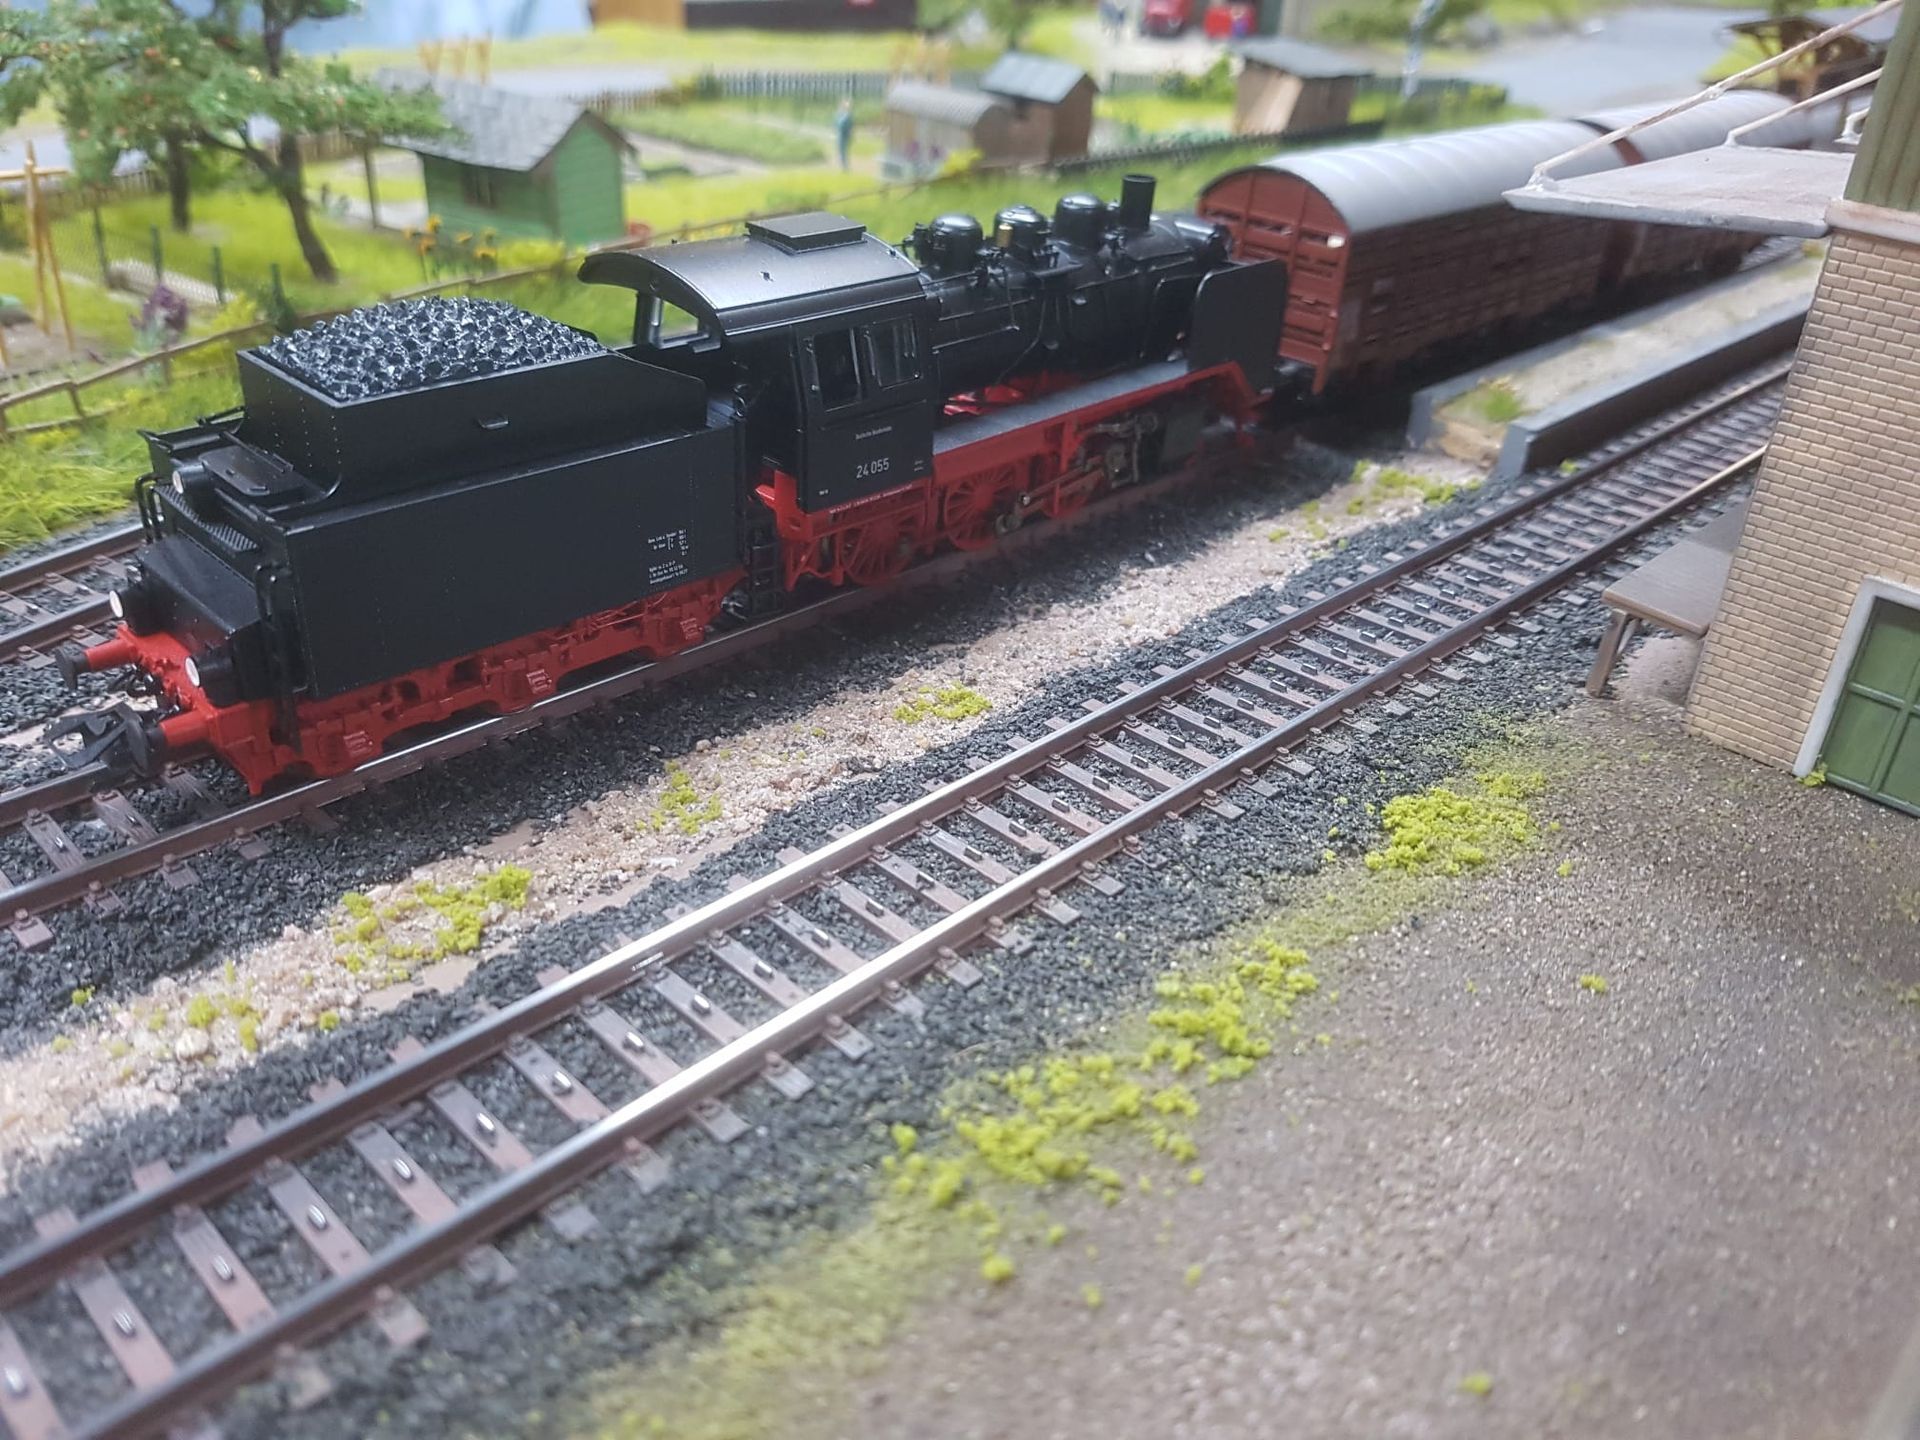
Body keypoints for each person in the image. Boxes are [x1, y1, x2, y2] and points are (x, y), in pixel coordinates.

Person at [835, 97, 855, 172]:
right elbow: (837, 124)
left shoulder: (847, 115)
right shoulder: (841, 114)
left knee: (843, 151)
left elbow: (848, 125)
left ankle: (845, 166)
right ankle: (844, 166)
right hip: (842, 134)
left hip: (844, 135)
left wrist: (851, 133)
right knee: (842, 151)